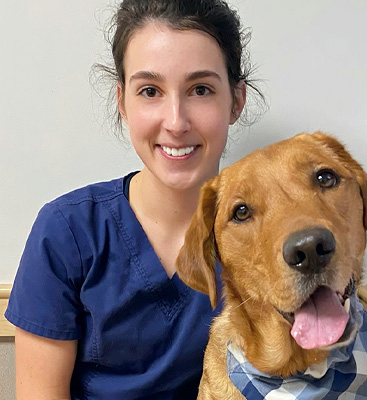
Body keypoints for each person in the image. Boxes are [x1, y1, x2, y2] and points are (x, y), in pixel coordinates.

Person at [5, 0, 258, 399]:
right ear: (122, 101)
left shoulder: (270, 233)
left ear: (236, 100)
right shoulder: (66, 233)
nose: (175, 122)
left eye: (201, 89)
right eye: (150, 91)